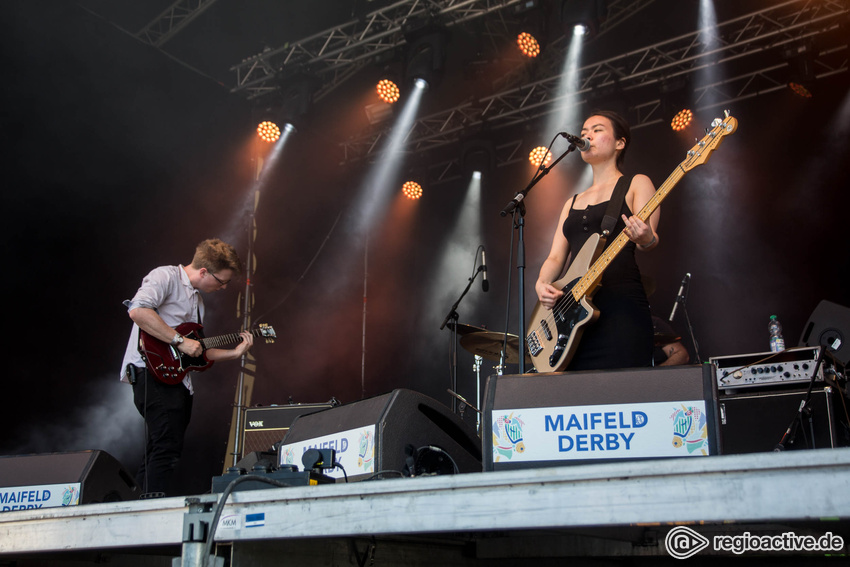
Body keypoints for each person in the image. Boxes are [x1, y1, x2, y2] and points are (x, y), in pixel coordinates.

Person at [119, 238, 254, 496]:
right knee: (166, 446)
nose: (224, 287)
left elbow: (198, 350)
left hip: (177, 381)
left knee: (163, 447)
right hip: (152, 373)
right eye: (221, 281)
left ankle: (137, 502)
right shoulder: (165, 276)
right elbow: (138, 311)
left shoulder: (197, 301)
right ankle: (148, 508)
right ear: (204, 271)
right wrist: (179, 340)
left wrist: (235, 352)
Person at [535, 110, 659, 370]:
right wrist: (542, 283)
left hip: (620, 310)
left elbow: (648, 241)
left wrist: (646, 237)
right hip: (571, 318)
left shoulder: (636, 183)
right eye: (583, 132)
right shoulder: (572, 201)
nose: (586, 135)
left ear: (620, 143)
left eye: (597, 129)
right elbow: (556, 257)